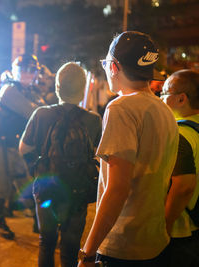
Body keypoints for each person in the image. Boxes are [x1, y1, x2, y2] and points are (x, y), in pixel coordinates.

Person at [78, 31, 179, 267]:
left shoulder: (121, 109)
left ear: (114, 67)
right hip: (154, 240)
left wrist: (88, 253)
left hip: (123, 246)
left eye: (105, 63)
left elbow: (117, 189)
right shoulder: (164, 110)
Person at [19, 62, 102, 266]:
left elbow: (24, 149)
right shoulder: (93, 120)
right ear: (83, 90)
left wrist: (37, 169)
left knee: (46, 243)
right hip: (78, 193)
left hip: (47, 190)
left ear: (57, 88)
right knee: (70, 249)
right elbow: (100, 156)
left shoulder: (41, 114)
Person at [0, 54, 45, 239]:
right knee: (2, 185)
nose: (30, 74)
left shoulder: (29, 90)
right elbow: (35, 112)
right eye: (26, 70)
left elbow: (42, 107)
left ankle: (36, 222)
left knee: (25, 182)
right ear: (17, 71)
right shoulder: (10, 90)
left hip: (18, 144)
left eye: (33, 70)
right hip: (3, 144)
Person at [162, 69, 199, 266]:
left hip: (183, 229)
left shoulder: (179, 134)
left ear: (181, 99)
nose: (161, 99)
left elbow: (184, 186)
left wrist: (165, 225)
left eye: (165, 93)